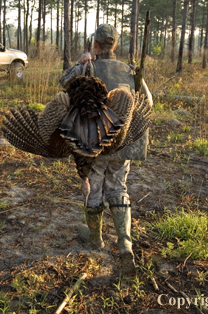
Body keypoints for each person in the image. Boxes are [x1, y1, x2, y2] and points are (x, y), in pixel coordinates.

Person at [59, 24, 152, 276]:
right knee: (118, 187)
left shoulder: (85, 67)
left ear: (95, 45)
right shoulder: (130, 71)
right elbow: (149, 102)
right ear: (114, 45)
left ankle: (95, 239)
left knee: (94, 188)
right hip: (124, 142)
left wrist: (79, 62)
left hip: (94, 142)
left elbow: (62, 84)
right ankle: (124, 243)